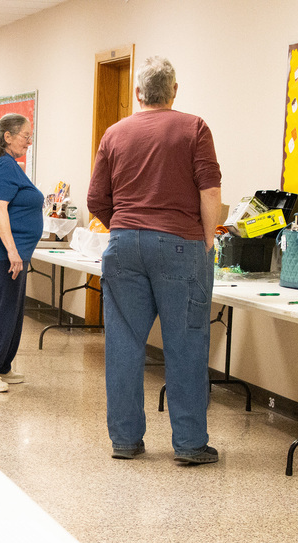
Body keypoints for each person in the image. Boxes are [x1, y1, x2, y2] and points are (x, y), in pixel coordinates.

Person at [86, 56, 222, 464]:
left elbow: (96, 199)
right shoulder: (194, 128)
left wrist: (126, 228)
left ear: (138, 93)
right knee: (185, 343)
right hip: (180, 244)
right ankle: (190, 444)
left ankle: (125, 440)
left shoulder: (114, 133)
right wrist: (208, 240)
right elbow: (210, 191)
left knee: (124, 343)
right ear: (174, 90)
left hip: (124, 244)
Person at [0, 114, 43, 393]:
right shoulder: (3, 164)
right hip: (2, 251)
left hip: (13, 251)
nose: (29, 141)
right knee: (3, 312)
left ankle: (2, 366)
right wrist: (12, 251)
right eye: (26, 135)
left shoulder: (9, 164)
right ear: (8, 137)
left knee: (13, 311)